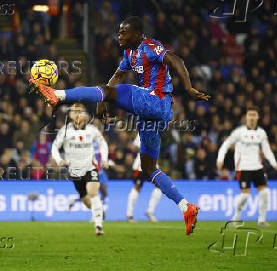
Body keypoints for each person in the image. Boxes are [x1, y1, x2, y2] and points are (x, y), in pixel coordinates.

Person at [30, 16, 209, 235]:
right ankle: (186, 207)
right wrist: (104, 101)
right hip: (153, 115)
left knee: (114, 90)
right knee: (148, 167)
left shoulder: (151, 46)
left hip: (156, 100)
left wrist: (189, 88)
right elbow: (117, 75)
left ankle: (57, 95)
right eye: (119, 32)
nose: (119, 36)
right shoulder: (129, 54)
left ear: (137, 34)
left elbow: (176, 61)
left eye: (124, 32)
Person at [217, 106, 277, 227]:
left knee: (265, 193)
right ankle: (236, 217)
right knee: (245, 195)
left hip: (258, 167)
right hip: (243, 168)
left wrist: (275, 165)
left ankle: (262, 220)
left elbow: (267, 151)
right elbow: (225, 145)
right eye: (250, 115)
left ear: (258, 117)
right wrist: (220, 159)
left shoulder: (261, 133)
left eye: (254, 115)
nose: (252, 117)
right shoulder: (239, 132)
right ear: (246, 117)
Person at [51, 103, 108, 235]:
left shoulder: (92, 130)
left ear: (85, 114)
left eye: (80, 111)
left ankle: (98, 226)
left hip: (90, 166)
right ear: (70, 115)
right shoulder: (64, 131)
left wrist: (104, 159)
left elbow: (102, 144)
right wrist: (59, 160)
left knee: (93, 192)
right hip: (75, 171)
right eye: (74, 111)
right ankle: (98, 210)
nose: (77, 114)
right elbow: (54, 147)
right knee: (87, 202)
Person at [126, 133, 162, 222]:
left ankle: (150, 211)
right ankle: (129, 214)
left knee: (160, 186)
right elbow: (134, 147)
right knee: (138, 187)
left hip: (152, 164)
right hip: (141, 164)